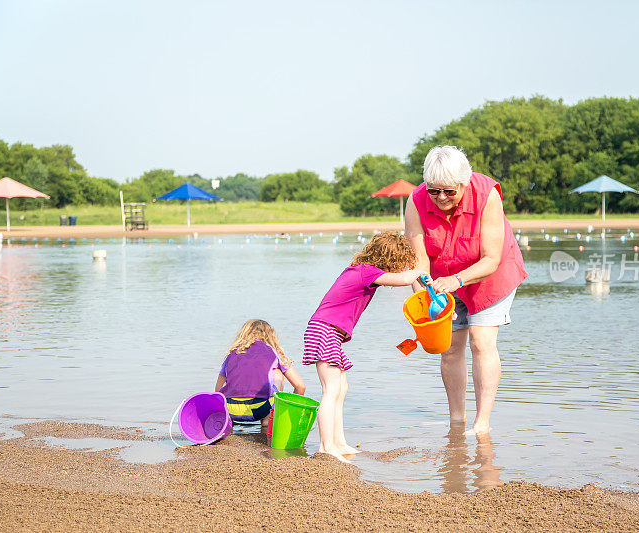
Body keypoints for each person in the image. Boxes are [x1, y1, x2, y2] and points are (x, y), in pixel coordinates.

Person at [405, 145, 527, 435]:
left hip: (489, 276)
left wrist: (458, 280)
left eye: (449, 191)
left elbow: (491, 259)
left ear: (464, 182)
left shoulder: (488, 195)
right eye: (435, 191)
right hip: (441, 282)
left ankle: (481, 423)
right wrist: (421, 295)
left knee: (481, 342)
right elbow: (419, 260)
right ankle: (456, 420)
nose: (441, 198)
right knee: (449, 349)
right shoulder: (416, 200)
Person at [303, 231, 422, 461]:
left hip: (330, 332)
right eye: (398, 263)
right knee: (331, 390)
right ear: (389, 259)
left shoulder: (362, 270)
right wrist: (419, 272)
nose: (398, 268)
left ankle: (339, 442)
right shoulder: (366, 271)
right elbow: (404, 280)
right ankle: (326, 447)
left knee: (341, 388)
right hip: (324, 329)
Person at [215, 319, 305, 426]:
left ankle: (230, 425)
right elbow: (300, 386)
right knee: (277, 373)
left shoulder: (231, 355)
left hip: (230, 410)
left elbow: (218, 392)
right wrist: (290, 411)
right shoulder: (274, 353)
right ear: (270, 337)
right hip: (261, 409)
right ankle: (268, 421)